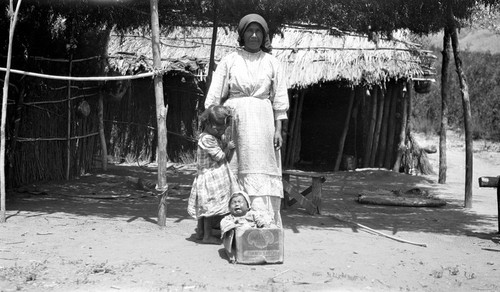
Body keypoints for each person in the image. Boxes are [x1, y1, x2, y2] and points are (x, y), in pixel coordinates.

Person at [204, 13, 289, 227]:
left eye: (258, 31)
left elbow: (279, 100)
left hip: (263, 123)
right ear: (242, 35)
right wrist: (217, 127)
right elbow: (214, 98)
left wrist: (278, 130)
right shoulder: (230, 60)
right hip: (235, 122)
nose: (254, 35)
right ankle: (229, 224)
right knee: (233, 166)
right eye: (249, 31)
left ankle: (263, 222)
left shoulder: (272, 63)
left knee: (260, 165)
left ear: (264, 35)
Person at [187, 105, 238, 244]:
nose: (221, 132)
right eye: (218, 129)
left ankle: (201, 233)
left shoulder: (210, 136)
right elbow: (220, 156)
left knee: (204, 209)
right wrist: (228, 147)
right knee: (209, 208)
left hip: (208, 176)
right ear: (208, 124)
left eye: (223, 129)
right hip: (210, 177)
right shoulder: (207, 139)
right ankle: (207, 236)